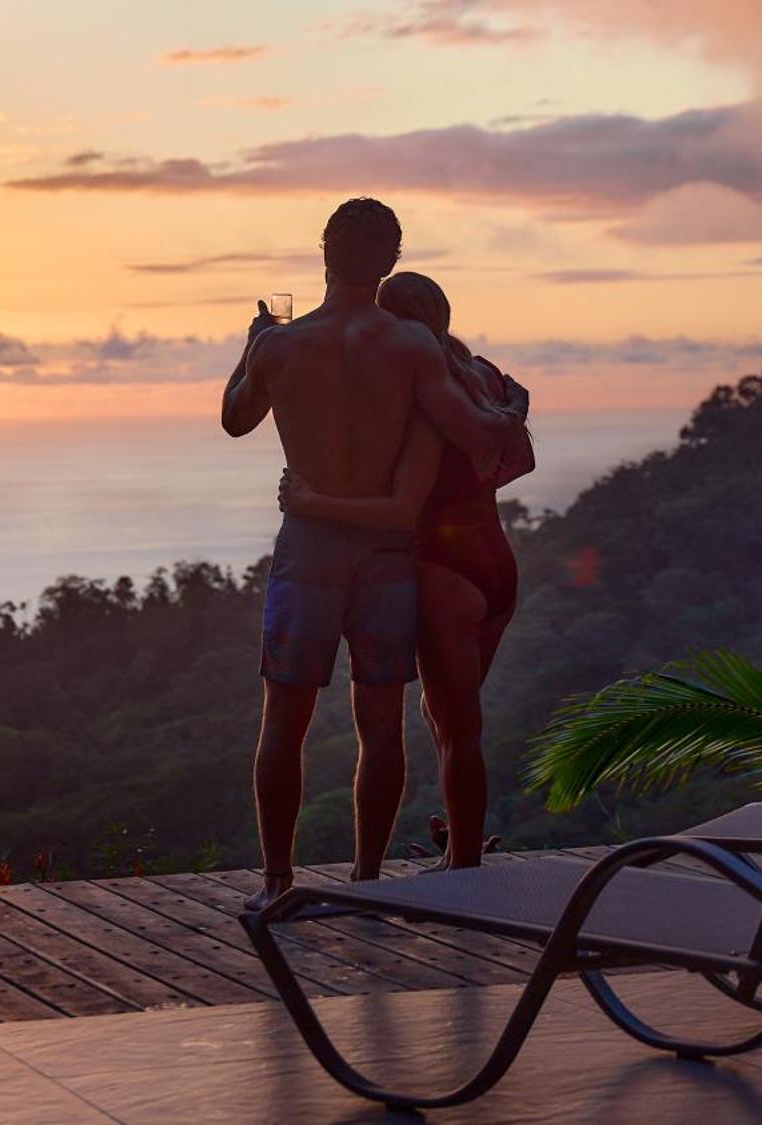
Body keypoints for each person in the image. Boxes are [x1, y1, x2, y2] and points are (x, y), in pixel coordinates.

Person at [222, 200, 516, 910]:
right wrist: (507, 408)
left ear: (324, 250)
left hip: (310, 547)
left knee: (283, 720)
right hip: (385, 552)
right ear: (389, 259)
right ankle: (366, 879)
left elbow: (235, 419)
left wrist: (254, 340)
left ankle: (276, 881)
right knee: (380, 721)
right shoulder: (411, 346)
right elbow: (473, 430)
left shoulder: (280, 348)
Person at [278, 271, 531, 872]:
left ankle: (464, 863)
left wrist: (313, 502)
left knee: (455, 724)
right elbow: (516, 462)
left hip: (443, 568)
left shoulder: (423, 389)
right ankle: (463, 851)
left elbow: (402, 503)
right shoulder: (485, 376)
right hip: (494, 560)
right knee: (450, 716)